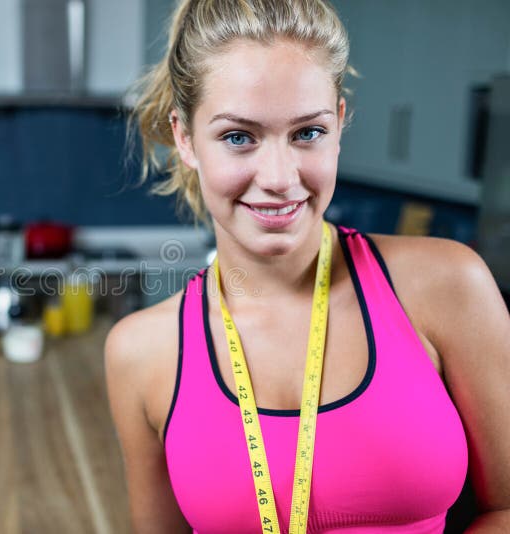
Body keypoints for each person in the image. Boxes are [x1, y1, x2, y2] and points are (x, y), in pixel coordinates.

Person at [104, 1, 510, 532]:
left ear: (339, 123)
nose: (279, 177)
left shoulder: (449, 284)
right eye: (238, 137)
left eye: (307, 132)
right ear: (185, 138)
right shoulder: (142, 353)